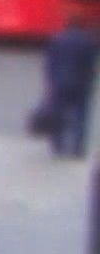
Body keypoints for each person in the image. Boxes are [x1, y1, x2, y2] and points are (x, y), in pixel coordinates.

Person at [42, 15, 98, 159]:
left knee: (58, 113)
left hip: (60, 82)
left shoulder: (57, 39)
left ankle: (57, 145)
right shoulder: (87, 41)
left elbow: (50, 63)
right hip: (81, 83)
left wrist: (50, 82)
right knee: (80, 115)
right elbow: (91, 65)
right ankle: (77, 148)